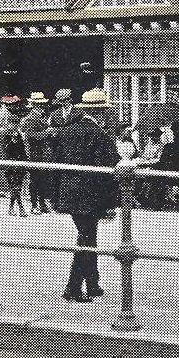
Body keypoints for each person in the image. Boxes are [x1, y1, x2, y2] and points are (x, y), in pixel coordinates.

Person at [50, 88, 119, 303]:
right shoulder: (99, 134)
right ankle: (73, 287)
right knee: (87, 237)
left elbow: (55, 163)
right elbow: (110, 167)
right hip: (92, 193)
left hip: (69, 190)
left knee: (88, 234)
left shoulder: (66, 131)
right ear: (99, 112)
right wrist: (111, 202)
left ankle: (92, 283)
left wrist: (53, 195)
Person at [20, 92, 54, 213]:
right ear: (33, 106)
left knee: (43, 180)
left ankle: (42, 203)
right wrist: (48, 132)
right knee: (35, 180)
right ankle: (34, 205)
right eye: (39, 105)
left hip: (43, 153)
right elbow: (31, 136)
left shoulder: (43, 119)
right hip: (33, 153)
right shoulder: (28, 120)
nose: (42, 107)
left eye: (42, 105)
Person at [3, 124, 29, 217]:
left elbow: (24, 153)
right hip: (10, 167)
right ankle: (21, 207)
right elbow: (7, 153)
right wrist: (12, 141)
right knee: (15, 188)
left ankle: (11, 207)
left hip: (20, 167)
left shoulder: (21, 139)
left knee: (17, 188)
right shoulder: (6, 139)